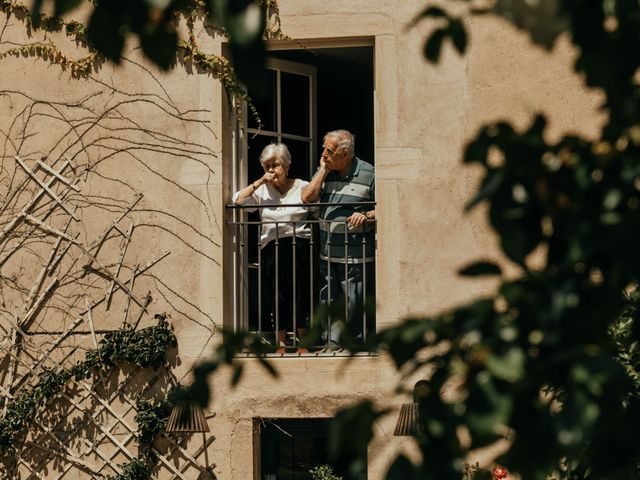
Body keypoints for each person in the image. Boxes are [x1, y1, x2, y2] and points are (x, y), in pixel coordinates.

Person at [233, 143, 311, 353]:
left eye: (275, 165)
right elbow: (238, 201)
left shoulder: (302, 185)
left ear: (286, 166)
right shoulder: (262, 191)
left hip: (299, 245)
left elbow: (316, 202)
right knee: (278, 295)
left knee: (300, 293)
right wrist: (260, 182)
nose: (270, 170)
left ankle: (303, 343)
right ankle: (281, 344)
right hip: (272, 248)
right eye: (266, 166)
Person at [301, 130, 376, 347]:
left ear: (345, 154)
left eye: (329, 150)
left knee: (354, 303)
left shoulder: (369, 174)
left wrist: (367, 215)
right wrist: (324, 170)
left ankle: (355, 347)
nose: (323, 154)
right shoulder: (325, 171)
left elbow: (386, 208)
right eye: (323, 148)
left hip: (356, 254)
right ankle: (332, 345)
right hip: (327, 251)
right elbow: (306, 198)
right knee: (328, 301)